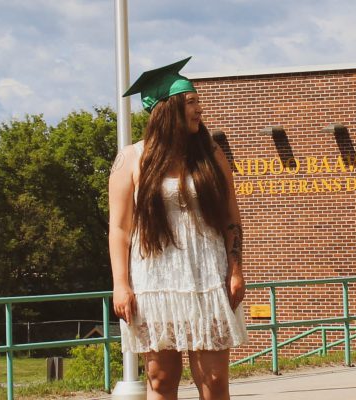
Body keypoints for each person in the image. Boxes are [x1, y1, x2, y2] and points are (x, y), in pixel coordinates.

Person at [108, 57, 247, 400]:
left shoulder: (212, 155)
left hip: (207, 276)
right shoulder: (131, 159)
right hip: (155, 280)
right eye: (191, 103)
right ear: (167, 111)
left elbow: (232, 219)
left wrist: (235, 269)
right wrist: (121, 285)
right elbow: (119, 229)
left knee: (214, 380)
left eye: (198, 100)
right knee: (162, 378)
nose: (199, 109)